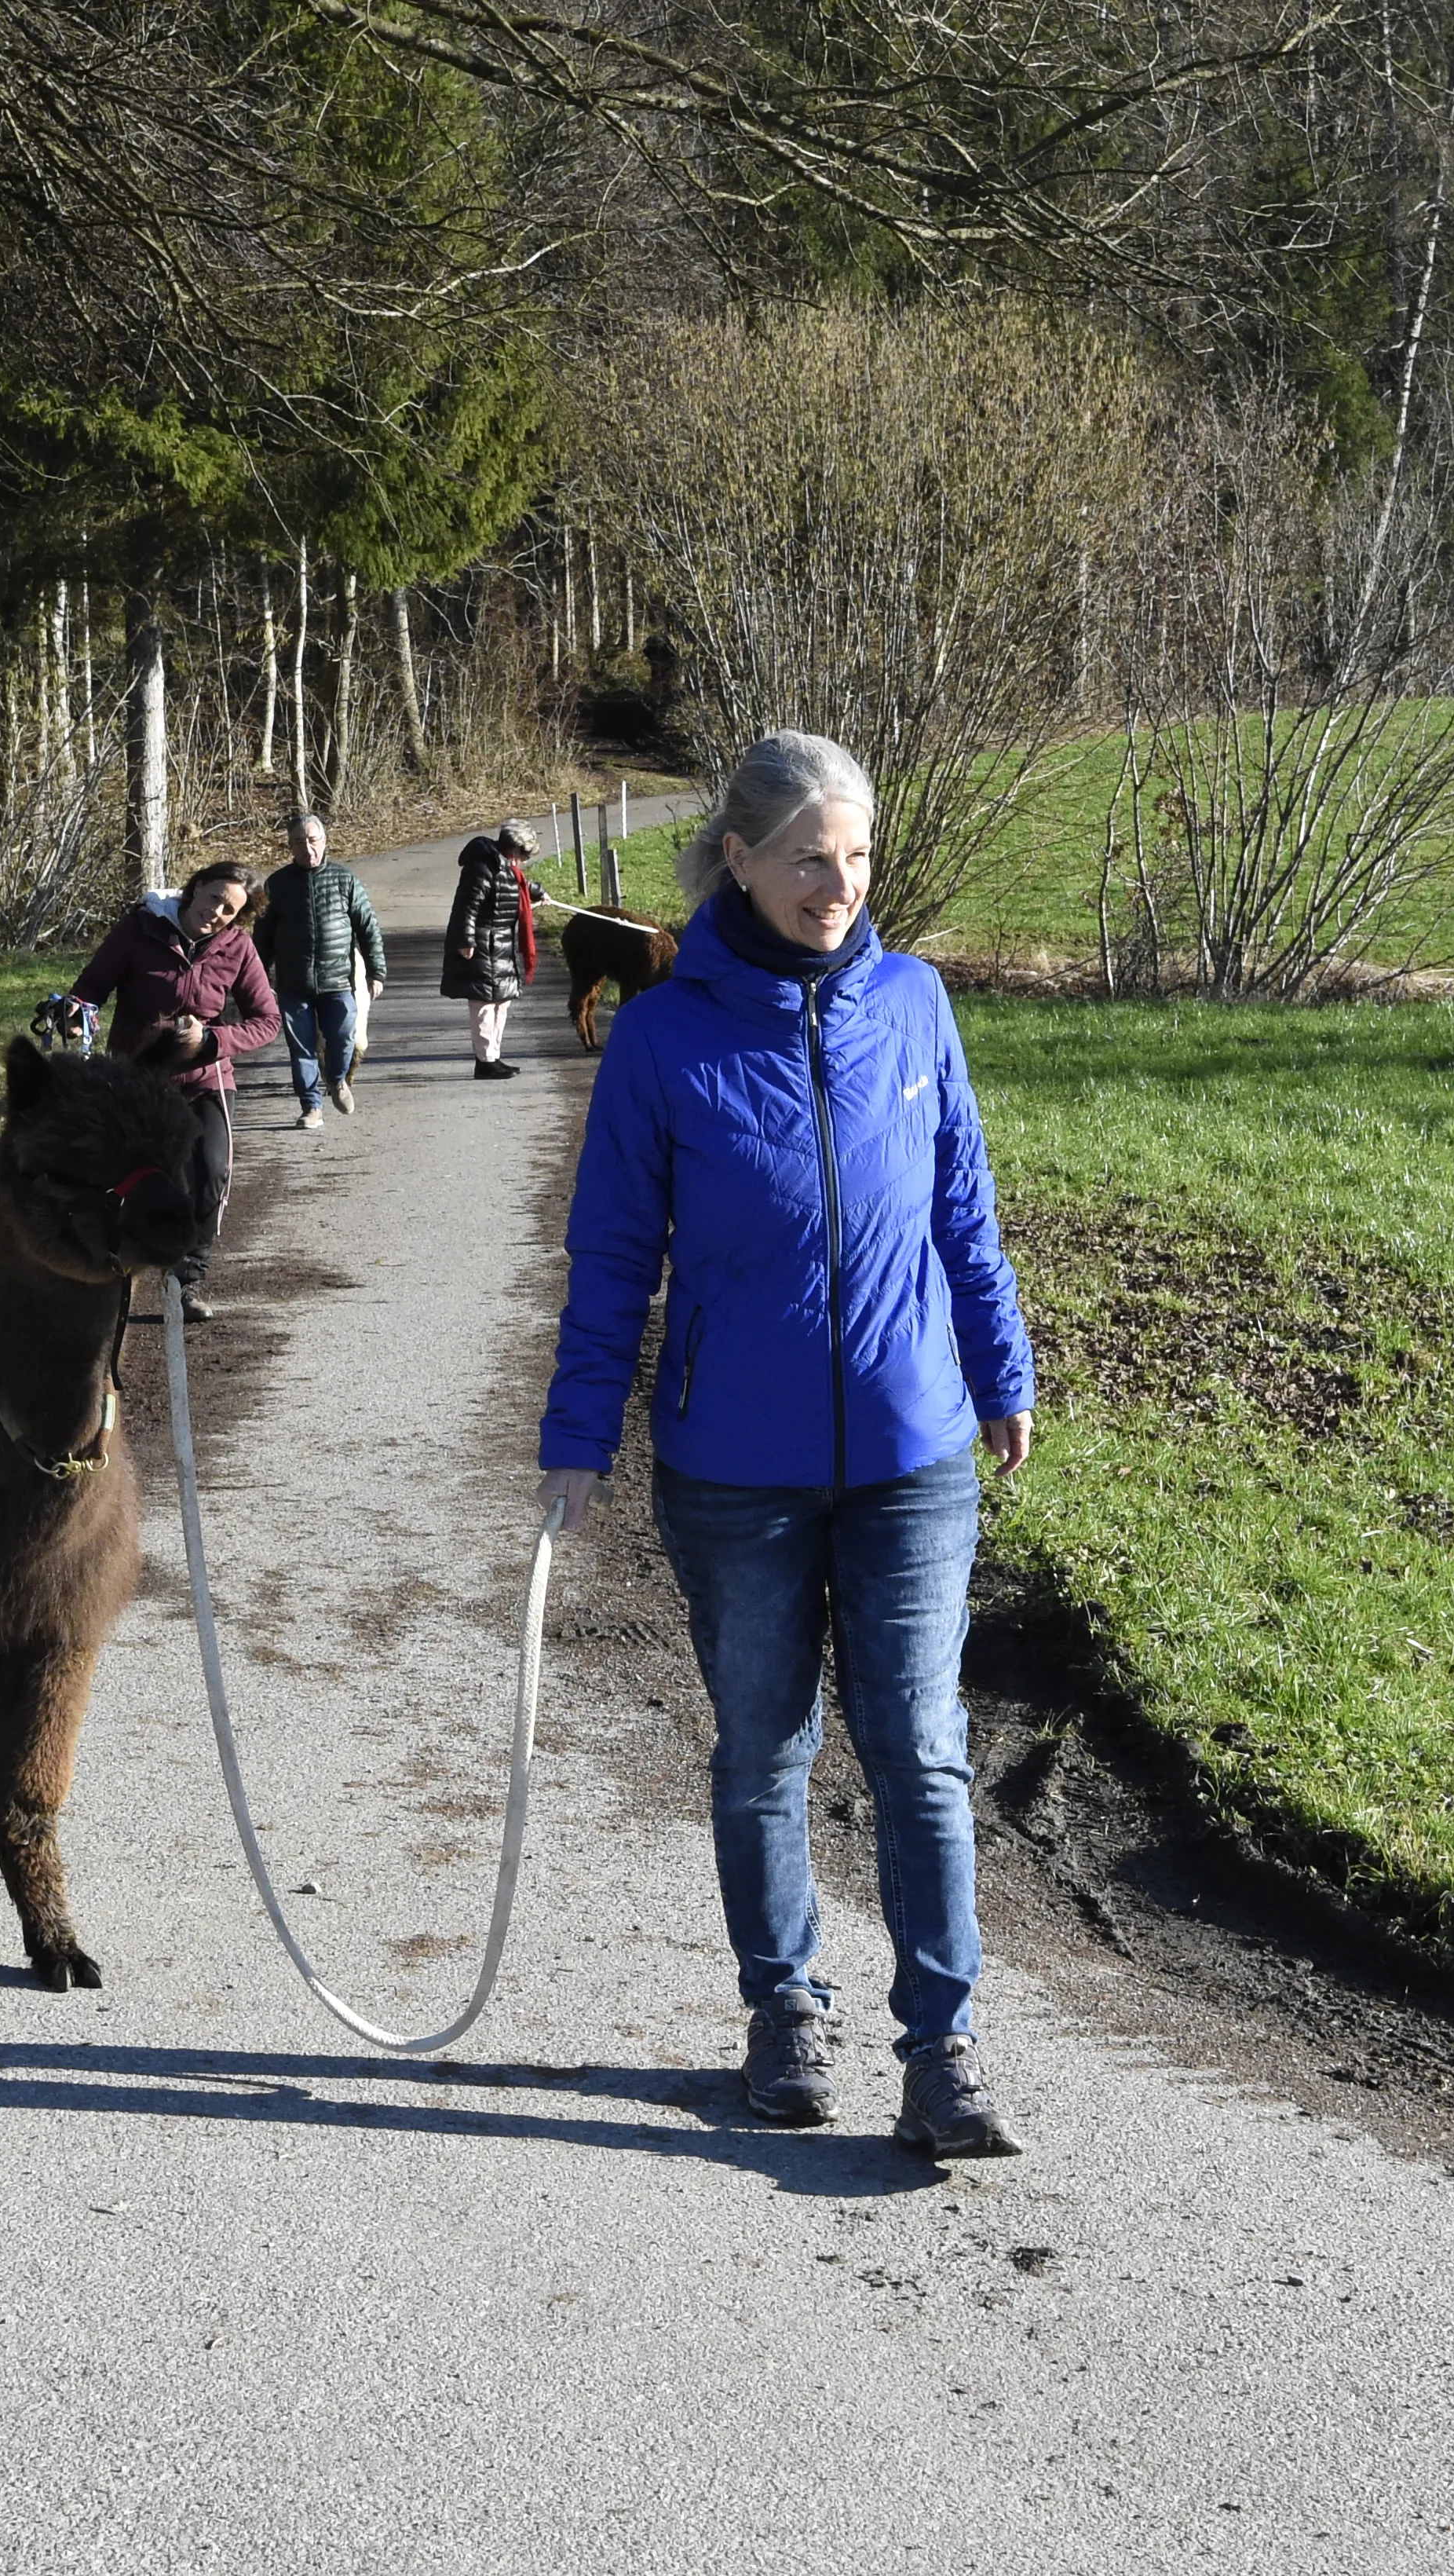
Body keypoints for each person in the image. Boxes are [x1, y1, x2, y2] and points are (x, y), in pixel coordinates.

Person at [534, 730, 1040, 2159]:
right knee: (763, 1747)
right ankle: (783, 2011)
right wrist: (578, 1435)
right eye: (810, 856)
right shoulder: (660, 1038)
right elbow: (612, 1256)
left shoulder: (913, 1005)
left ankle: (943, 2050)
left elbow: (962, 1212)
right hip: (732, 1471)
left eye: (857, 856)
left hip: (911, 1453)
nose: (838, 884)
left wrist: (1000, 1370)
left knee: (921, 1749)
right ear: (738, 860)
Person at [67, 858, 280, 1323]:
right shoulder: (140, 930)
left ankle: (188, 1280)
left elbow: (268, 1021)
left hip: (205, 1081)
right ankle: (110, 1277)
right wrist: (74, 1012)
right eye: (213, 898)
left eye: (229, 910)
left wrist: (212, 1041)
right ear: (195, 888)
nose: (217, 913)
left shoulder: (238, 948)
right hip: (139, 1082)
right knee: (121, 1181)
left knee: (210, 1176)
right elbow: (89, 991)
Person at [253, 810, 386, 1129]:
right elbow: (262, 938)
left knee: (344, 1036)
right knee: (302, 1049)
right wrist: (257, 979)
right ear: (290, 846)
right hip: (293, 983)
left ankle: (338, 1080)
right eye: (299, 842)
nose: (307, 848)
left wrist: (376, 971)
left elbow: (368, 928)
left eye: (313, 840)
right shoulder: (277, 884)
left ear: (324, 842)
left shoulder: (345, 880)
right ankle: (311, 1107)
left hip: (338, 980)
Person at [440, 817, 539, 1079]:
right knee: (483, 1004)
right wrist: (466, 940)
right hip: (482, 944)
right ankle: (484, 1061)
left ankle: (493, 1056)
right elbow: (467, 906)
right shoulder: (483, 866)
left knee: (501, 1002)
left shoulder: (507, 867)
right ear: (515, 849)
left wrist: (540, 893)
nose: (524, 861)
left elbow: (518, 886)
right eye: (524, 855)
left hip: (501, 945)